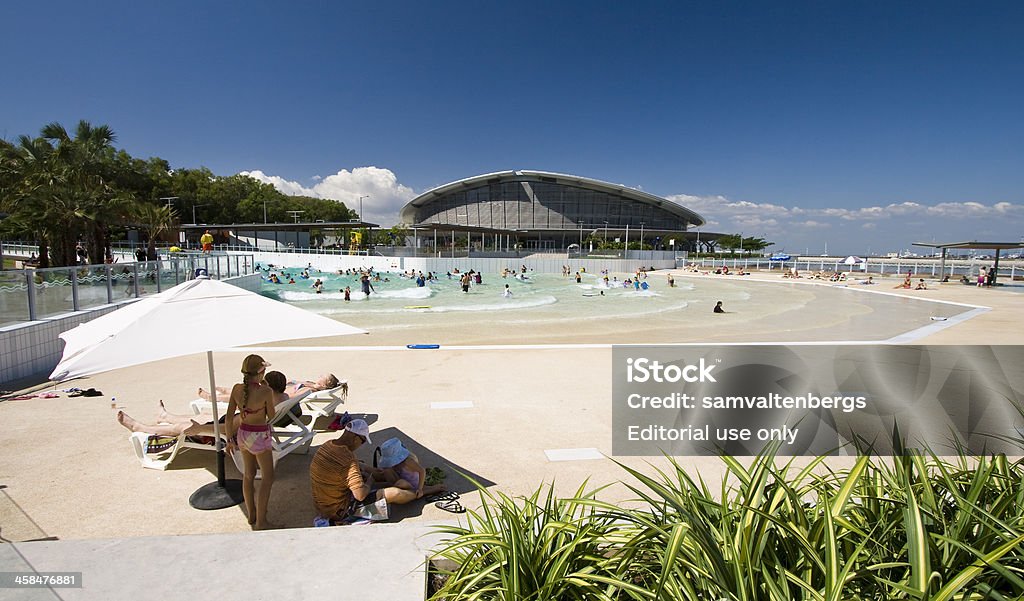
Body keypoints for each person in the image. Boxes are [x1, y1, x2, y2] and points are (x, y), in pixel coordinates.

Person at [226, 354, 278, 530]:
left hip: (242, 434)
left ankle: (251, 515)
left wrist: (228, 439)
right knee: (268, 478)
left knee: (248, 475)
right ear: (261, 372)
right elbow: (272, 417)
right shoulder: (265, 391)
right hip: (259, 436)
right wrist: (268, 391)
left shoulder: (236, 389)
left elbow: (228, 417)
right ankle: (262, 521)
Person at [371, 437, 446, 502]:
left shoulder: (408, 461)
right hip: (401, 479)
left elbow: (422, 471)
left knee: (401, 483)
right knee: (387, 471)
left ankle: (424, 491)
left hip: (412, 485)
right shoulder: (394, 463)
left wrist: (419, 488)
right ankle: (389, 487)